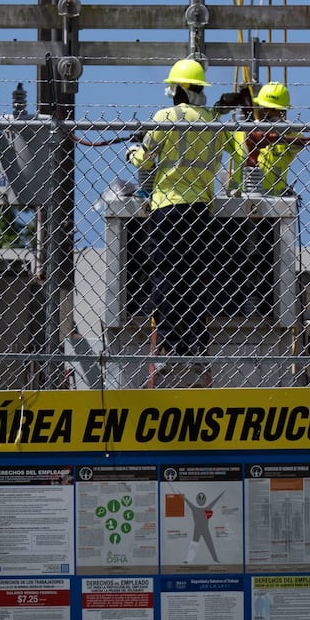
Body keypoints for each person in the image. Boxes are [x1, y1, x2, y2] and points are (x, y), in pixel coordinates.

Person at [128, 58, 232, 384]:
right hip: (200, 211)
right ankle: (198, 348)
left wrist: (132, 148)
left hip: (166, 209)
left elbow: (144, 160)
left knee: (165, 278)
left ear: (179, 90)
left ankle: (170, 348)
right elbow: (238, 151)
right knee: (195, 281)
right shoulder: (216, 124)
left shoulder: (165, 118)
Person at [220, 82, 310, 198]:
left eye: (276, 110)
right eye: (266, 109)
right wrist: (220, 109)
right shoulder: (241, 132)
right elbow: (213, 133)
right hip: (240, 202)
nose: (270, 114)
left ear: (284, 112)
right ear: (259, 109)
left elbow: (300, 143)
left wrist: (283, 129)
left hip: (274, 205)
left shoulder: (287, 137)